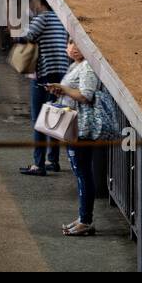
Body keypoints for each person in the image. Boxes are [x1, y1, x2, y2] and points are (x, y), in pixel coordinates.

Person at [46, 39, 100, 236]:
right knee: (80, 173)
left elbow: (86, 94)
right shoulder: (76, 65)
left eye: (73, 43)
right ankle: (82, 217)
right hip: (72, 126)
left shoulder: (87, 67)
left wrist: (64, 89)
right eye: (69, 42)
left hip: (81, 128)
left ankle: (86, 220)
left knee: (83, 173)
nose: (69, 46)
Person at [15, 0, 68, 175]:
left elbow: (26, 36)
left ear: (40, 1)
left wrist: (16, 35)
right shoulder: (61, 17)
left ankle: (39, 164)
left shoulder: (43, 17)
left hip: (45, 73)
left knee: (39, 119)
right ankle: (52, 160)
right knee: (54, 116)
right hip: (62, 72)